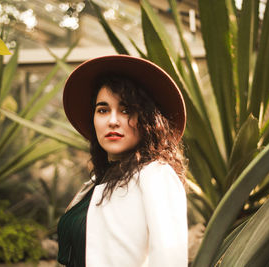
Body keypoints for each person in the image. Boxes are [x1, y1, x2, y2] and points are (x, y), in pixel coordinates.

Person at [58, 55, 188, 267]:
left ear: (147, 120)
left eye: (126, 110)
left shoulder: (155, 175)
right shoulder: (96, 183)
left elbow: (169, 259)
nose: (112, 121)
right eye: (103, 110)